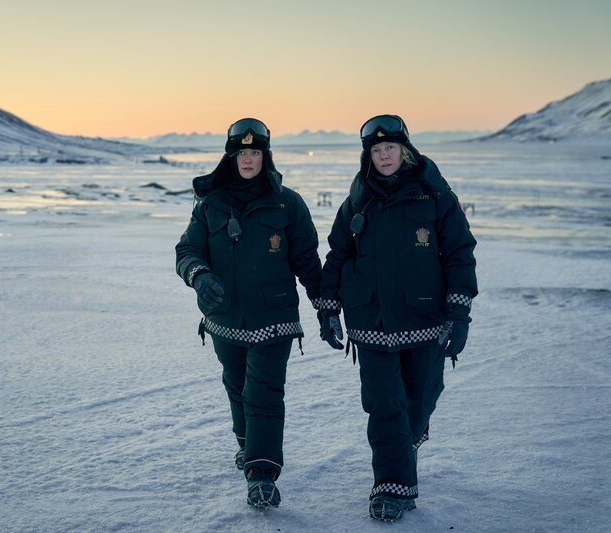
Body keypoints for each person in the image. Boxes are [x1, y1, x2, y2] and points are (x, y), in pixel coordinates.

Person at [317, 114, 478, 522]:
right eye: (376, 149)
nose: (384, 155)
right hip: (369, 319)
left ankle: (408, 439)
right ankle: (392, 486)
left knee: (421, 397)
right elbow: (337, 256)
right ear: (367, 155)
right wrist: (328, 308)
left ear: (405, 150)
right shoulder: (357, 201)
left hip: (425, 316)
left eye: (390, 148)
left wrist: (460, 314)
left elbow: (459, 252)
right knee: (385, 405)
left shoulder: (435, 195)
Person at [175, 117, 323, 509]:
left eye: (255, 152)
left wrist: (325, 307)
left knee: (264, 394)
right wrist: (199, 275)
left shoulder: (287, 203)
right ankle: (248, 445)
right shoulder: (210, 204)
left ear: (265, 156)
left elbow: (307, 260)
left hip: (275, 318)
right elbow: (187, 250)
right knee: (237, 387)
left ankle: (261, 472)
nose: (248, 159)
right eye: (242, 152)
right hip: (224, 318)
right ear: (231, 156)